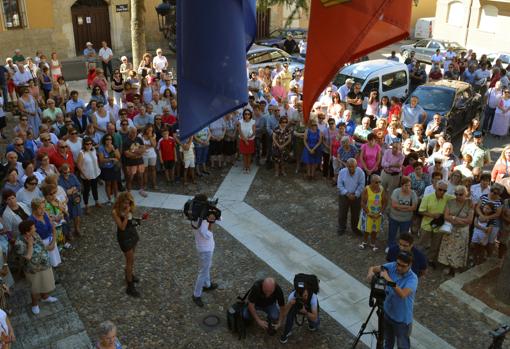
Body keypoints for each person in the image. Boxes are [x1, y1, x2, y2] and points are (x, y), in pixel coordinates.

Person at [367, 252, 418, 349]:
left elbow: (402, 294)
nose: (399, 267)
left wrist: (387, 279)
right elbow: (373, 268)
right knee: (388, 341)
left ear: (410, 265)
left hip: (401, 320)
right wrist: (370, 273)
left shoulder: (413, 279)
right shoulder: (392, 266)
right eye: (398, 264)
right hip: (387, 313)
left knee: (402, 345)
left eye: (403, 266)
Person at [15, 219, 58, 315]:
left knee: (45, 283)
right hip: (32, 270)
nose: (36, 228)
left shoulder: (35, 235)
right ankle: (34, 304)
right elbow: (26, 258)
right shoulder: (19, 243)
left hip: (44, 265)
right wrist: (30, 245)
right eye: (34, 227)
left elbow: (43, 247)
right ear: (27, 231)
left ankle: (45, 297)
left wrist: (54, 235)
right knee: (35, 288)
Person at [438, 185, 474, 276]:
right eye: (456, 194)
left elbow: (469, 220)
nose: (458, 196)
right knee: (448, 248)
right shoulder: (450, 202)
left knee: (459, 250)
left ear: (466, 194)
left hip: (462, 231)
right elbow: (446, 216)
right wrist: (459, 219)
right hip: (451, 229)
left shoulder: (470, 203)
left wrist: (454, 218)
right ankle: (447, 266)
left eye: (461, 194)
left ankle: (456, 268)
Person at [418, 180, 454, 267]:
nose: (442, 192)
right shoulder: (427, 197)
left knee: (435, 245)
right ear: (436, 188)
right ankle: (418, 259)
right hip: (427, 225)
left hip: (439, 226)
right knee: (422, 244)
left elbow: (459, 198)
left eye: (444, 191)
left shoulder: (447, 197)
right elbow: (420, 211)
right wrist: (432, 215)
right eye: (440, 189)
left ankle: (430, 259)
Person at [112, 192, 140, 297]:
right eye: (125, 203)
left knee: (132, 259)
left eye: (128, 203)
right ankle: (130, 286)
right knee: (129, 261)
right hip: (124, 238)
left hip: (132, 234)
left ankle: (130, 275)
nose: (127, 205)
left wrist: (135, 219)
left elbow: (130, 221)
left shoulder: (129, 207)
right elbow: (122, 227)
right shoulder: (115, 212)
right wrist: (126, 215)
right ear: (120, 201)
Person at [191, 209, 219, 307]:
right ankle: (196, 294)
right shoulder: (201, 222)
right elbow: (207, 234)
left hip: (203, 247)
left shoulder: (194, 216)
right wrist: (211, 222)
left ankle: (207, 284)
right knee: (203, 272)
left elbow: (220, 218)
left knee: (206, 267)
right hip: (206, 249)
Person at [388, 176, 418, 250]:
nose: (408, 187)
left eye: (409, 185)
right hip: (394, 217)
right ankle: (390, 246)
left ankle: (402, 248)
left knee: (404, 235)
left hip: (406, 219)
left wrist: (400, 207)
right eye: (406, 185)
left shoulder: (413, 194)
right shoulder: (396, 191)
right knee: (392, 233)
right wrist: (408, 208)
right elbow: (394, 205)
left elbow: (414, 207)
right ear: (402, 185)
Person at [358, 174, 387, 251]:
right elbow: (362, 203)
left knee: (375, 230)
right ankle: (364, 242)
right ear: (371, 182)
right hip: (368, 213)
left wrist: (380, 213)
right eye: (376, 182)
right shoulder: (366, 189)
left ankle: (373, 243)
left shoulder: (381, 189)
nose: (378, 184)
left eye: (380, 182)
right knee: (366, 229)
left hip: (377, 214)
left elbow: (384, 202)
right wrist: (368, 213)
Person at [337, 158, 365, 235]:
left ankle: (355, 229)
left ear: (356, 166)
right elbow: (339, 185)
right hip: (344, 196)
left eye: (353, 166)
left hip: (356, 196)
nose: (351, 168)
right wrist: (347, 194)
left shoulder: (361, 172)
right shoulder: (342, 172)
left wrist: (356, 194)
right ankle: (341, 228)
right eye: (349, 166)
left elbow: (361, 185)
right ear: (346, 165)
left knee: (356, 214)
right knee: (342, 213)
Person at [77, 137, 102, 213]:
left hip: (95, 174)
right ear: (84, 144)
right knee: (86, 191)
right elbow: (79, 165)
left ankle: (96, 201)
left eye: (90, 143)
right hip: (87, 176)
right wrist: (84, 176)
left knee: (95, 188)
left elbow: (96, 160)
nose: (89, 145)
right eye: (87, 144)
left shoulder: (93, 150)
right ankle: (87, 206)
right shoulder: (82, 153)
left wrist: (98, 169)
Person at [58, 164, 82, 237]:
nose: (67, 174)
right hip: (66, 201)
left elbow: (79, 186)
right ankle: (68, 232)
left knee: (77, 215)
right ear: (61, 172)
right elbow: (64, 192)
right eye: (65, 172)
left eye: (68, 171)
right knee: (67, 217)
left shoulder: (72, 176)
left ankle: (77, 228)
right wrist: (73, 189)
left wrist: (70, 190)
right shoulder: (59, 180)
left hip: (75, 199)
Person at [123, 127, 146, 196]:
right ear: (129, 132)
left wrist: (133, 152)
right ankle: (128, 191)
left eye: (135, 132)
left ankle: (141, 189)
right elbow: (127, 154)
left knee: (140, 176)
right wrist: (138, 153)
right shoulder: (126, 141)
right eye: (132, 132)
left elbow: (143, 149)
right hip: (130, 163)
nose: (134, 134)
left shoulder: (139, 139)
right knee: (130, 177)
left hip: (139, 161)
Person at [238, 109, 256, 173]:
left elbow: (254, 132)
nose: (247, 115)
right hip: (242, 140)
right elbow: (240, 132)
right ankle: (245, 166)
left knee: (249, 154)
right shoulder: (240, 122)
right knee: (244, 154)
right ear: (243, 115)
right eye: (245, 114)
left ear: (250, 115)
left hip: (250, 140)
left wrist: (248, 138)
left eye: (248, 114)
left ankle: (248, 167)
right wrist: (245, 140)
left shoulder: (253, 121)